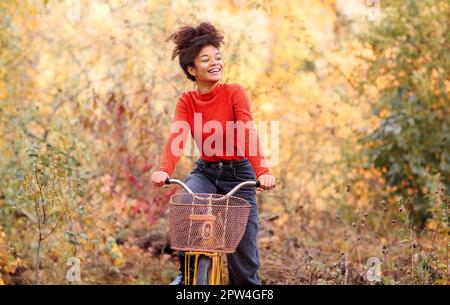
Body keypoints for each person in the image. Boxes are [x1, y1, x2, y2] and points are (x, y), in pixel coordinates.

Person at [151, 22, 275, 285]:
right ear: (191, 69)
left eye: (217, 57)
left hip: (239, 174)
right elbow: (178, 136)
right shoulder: (187, 101)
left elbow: (247, 131)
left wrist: (262, 172)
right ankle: (188, 276)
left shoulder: (234, 93)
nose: (215, 63)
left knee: (244, 261)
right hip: (206, 171)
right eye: (206, 60)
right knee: (186, 204)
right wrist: (165, 169)